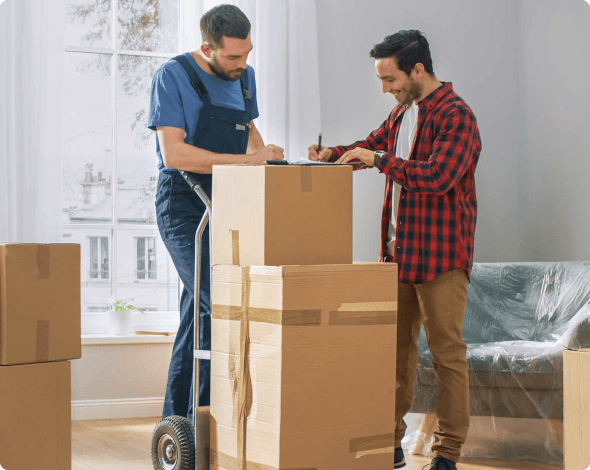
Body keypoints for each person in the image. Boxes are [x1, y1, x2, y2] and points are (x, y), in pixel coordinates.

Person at [308, 30, 481, 470]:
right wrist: (333, 154)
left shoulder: (457, 116)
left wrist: (378, 161)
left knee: (447, 357)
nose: (385, 88)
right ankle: (389, 446)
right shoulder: (404, 112)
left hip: (441, 258)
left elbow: (438, 177)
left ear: (417, 69)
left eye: (390, 78)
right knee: (395, 355)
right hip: (399, 256)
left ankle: (447, 453)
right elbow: (372, 144)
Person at [148, 4, 284, 422]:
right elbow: (174, 154)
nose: (242, 65)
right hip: (183, 204)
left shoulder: (246, 76)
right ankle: (221, 417)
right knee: (220, 300)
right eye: (232, 57)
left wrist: (271, 161)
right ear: (207, 47)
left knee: (198, 311)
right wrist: (251, 161)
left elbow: (249, 135)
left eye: (247, 55)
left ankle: (184, 422)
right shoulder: (172, 76)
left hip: (228, 200)